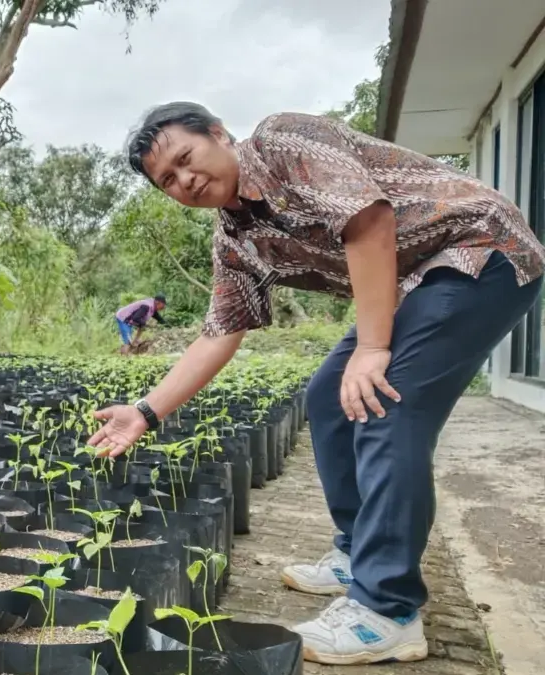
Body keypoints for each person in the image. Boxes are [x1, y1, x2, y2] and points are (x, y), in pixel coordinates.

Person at [87, 102, 544, 666]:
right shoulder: (236, 239)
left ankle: (388, 610)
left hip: (479, 250)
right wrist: (145, 411)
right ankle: (359, 554)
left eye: (185, 157)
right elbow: (218, 334)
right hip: (414, 282)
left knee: (383, 405)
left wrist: (374, 349)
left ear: (219, 134)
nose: (185, 179)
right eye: (169, 180)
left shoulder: (283, 140)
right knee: (329, 397)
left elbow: (368, 220)